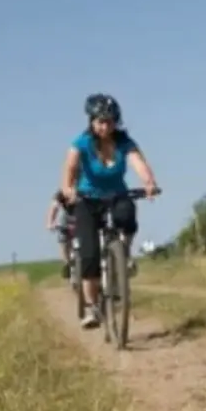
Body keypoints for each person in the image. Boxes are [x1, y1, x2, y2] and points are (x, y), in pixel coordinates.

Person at [59, 93, 161, 329]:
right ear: (92, 122)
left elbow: (138, 162)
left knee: (127, 215)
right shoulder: (80, 143)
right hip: (87, 199)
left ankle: (122, 255)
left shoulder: (125, 142)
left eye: (110, 121)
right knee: (89, 255)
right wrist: (68, 189)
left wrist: (149, 183)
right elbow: (70, 168)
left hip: (116, 195)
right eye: (101, 121)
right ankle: (93, 307)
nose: (106, 126)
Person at [44, 189, 77, 280]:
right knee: (63, 240)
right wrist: (50, 223)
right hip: (67, 220)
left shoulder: (84, 190)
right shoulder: (61, 193)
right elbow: (54, 208)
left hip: (82, 218)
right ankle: (67, 263)